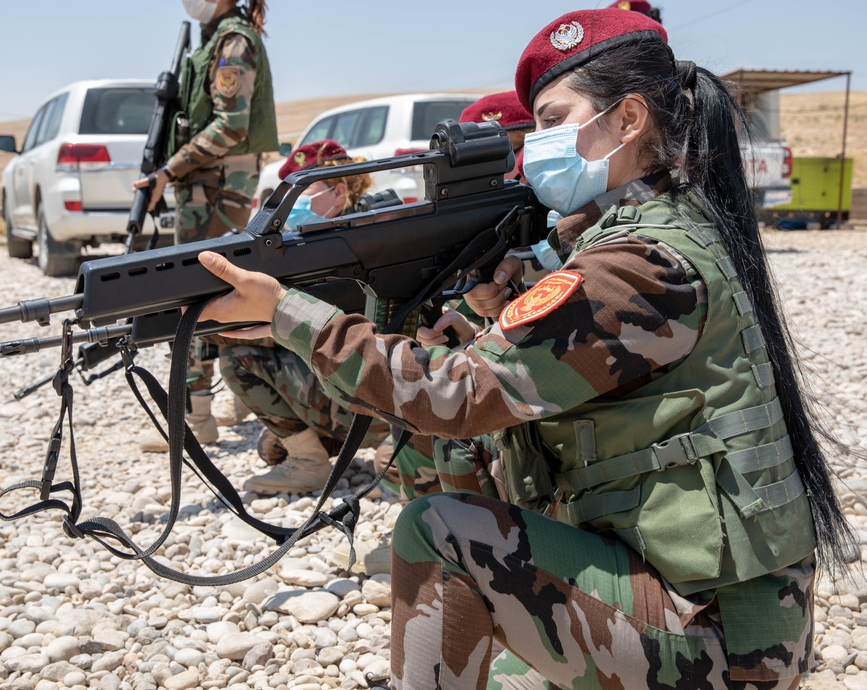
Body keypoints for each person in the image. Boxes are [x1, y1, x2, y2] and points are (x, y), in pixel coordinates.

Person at [193, 8, 856, 689]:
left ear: (629, 120)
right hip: (705, 603)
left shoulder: (638, 262)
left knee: (439, 530)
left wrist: (288, 315)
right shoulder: (664, 226)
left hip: (720, 640)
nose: (533, 143)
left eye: (549, 119)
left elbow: (450, 398)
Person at [135, 0, 277, 451]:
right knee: (216, 294)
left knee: (194, 297)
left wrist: (168, 171)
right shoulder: (217, 39)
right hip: (211, 188)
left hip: (214, 188)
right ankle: (233, 401)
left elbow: (231, 125)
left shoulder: (232, 41)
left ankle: (196, 419)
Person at [218, 139, 392, 496]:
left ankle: (312, 464)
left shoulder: (360, 243)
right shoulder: (338, 238)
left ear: (339, 191)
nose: (290, 208)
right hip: (387, 396)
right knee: (271, 448)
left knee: (237, 356)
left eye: (300, 194)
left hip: (383, 402)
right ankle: (317, 454)